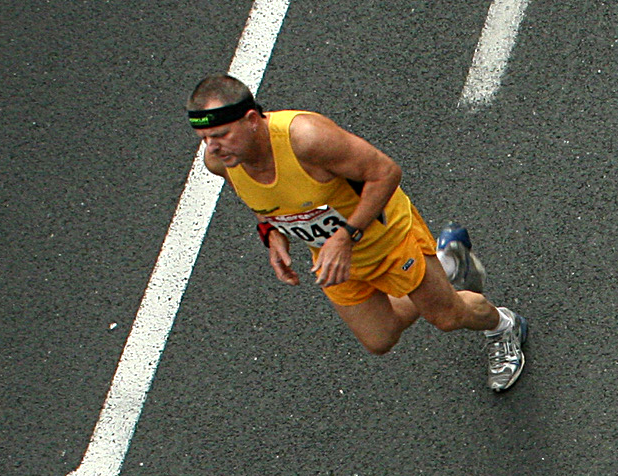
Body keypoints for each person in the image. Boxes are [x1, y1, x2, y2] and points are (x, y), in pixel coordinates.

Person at [190, 75, 528, 392]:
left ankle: (503, 326)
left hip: (388, 238)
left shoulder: (305, 138)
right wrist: (272, 233)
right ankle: (447, 266)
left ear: (252, 120)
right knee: (379, 338)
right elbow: (264, 200)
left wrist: (344, 237)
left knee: (448, 316)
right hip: (337, 258)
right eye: (205, 138)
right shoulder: (221, 162)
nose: (213, 147)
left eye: (221, 135)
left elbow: (385, 173)